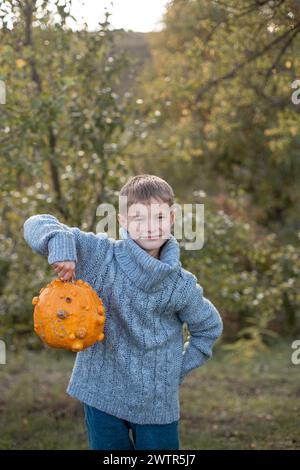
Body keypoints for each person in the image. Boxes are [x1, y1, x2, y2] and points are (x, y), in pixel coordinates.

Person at [23, 174, 223, 450]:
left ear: (173, 217)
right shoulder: (100, 255)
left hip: (155, 401)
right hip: (100, 392)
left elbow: (208, 328)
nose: (150, 227)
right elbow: (35, 223)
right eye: (139, 218)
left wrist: (176, 369)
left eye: (159, 218)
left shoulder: (180, 285)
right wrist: (61, 245)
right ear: (123, 221)